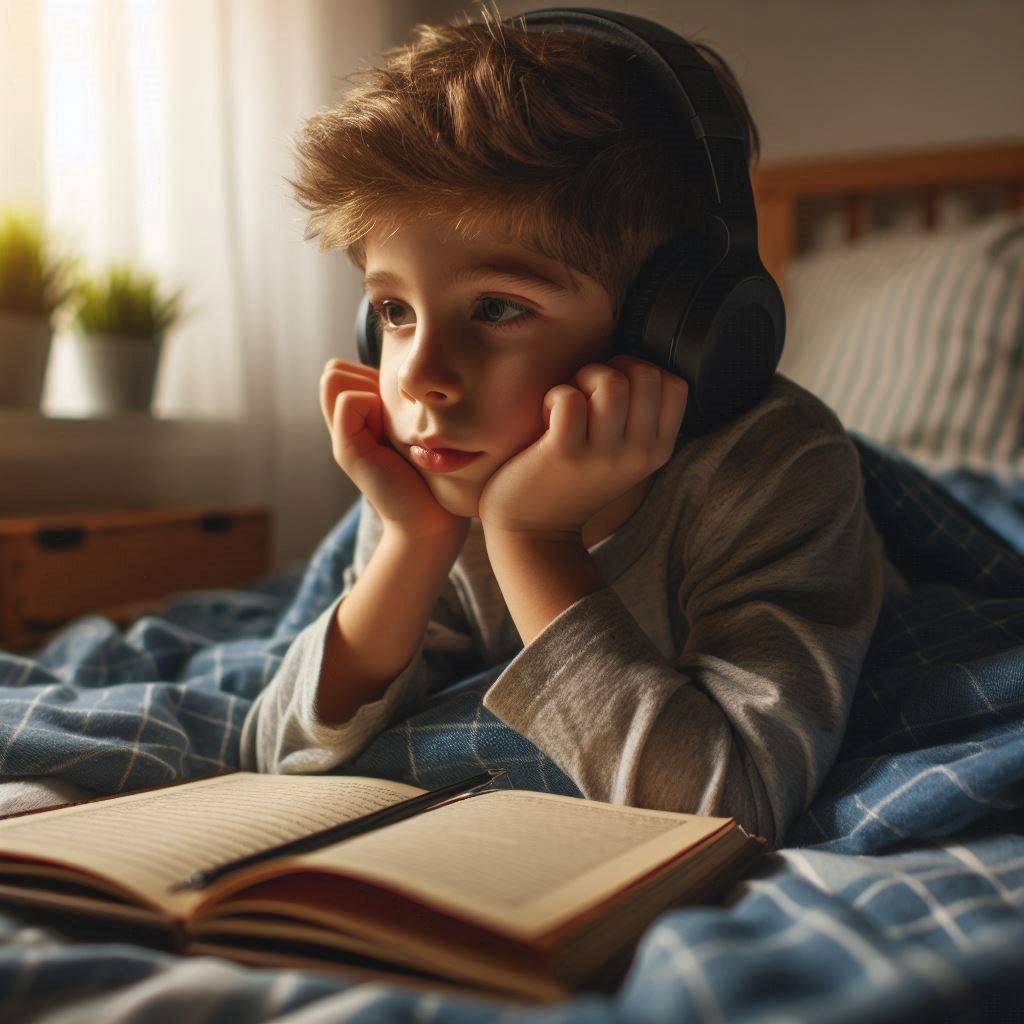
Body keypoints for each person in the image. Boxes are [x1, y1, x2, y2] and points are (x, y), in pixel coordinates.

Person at [239, 8, 884, 847]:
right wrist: (413, 543)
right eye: (394, 311)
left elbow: (731, 808)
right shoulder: (440, 468)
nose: (421, 377)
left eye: (497, 308)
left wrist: (532, 540)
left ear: (671, 325)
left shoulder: (772, 468)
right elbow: (273, 753)